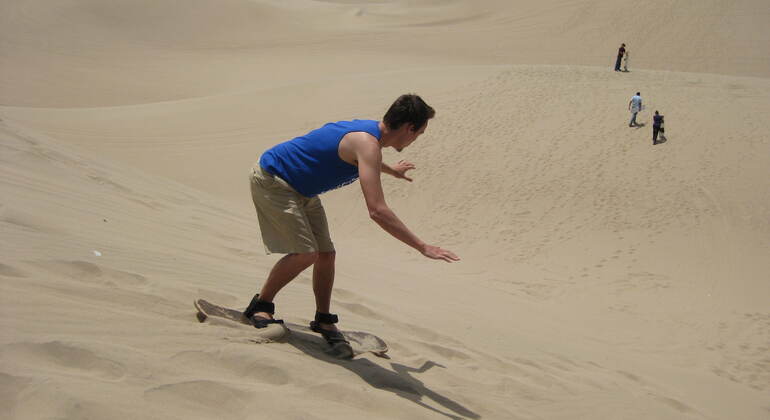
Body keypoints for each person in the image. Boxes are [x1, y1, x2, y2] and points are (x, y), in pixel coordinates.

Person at [244, 94, 460, 349]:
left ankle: (323, 319)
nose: (416, 139)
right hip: (274, 179)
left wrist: (393, 171)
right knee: (306, 253)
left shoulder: (370, 137)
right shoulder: (367, 143)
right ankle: (261, 305)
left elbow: (368, 159)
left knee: (326, 254)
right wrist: (423, 247)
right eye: (419, 133)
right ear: (408, 128)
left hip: (302, 189)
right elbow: (377, 210)